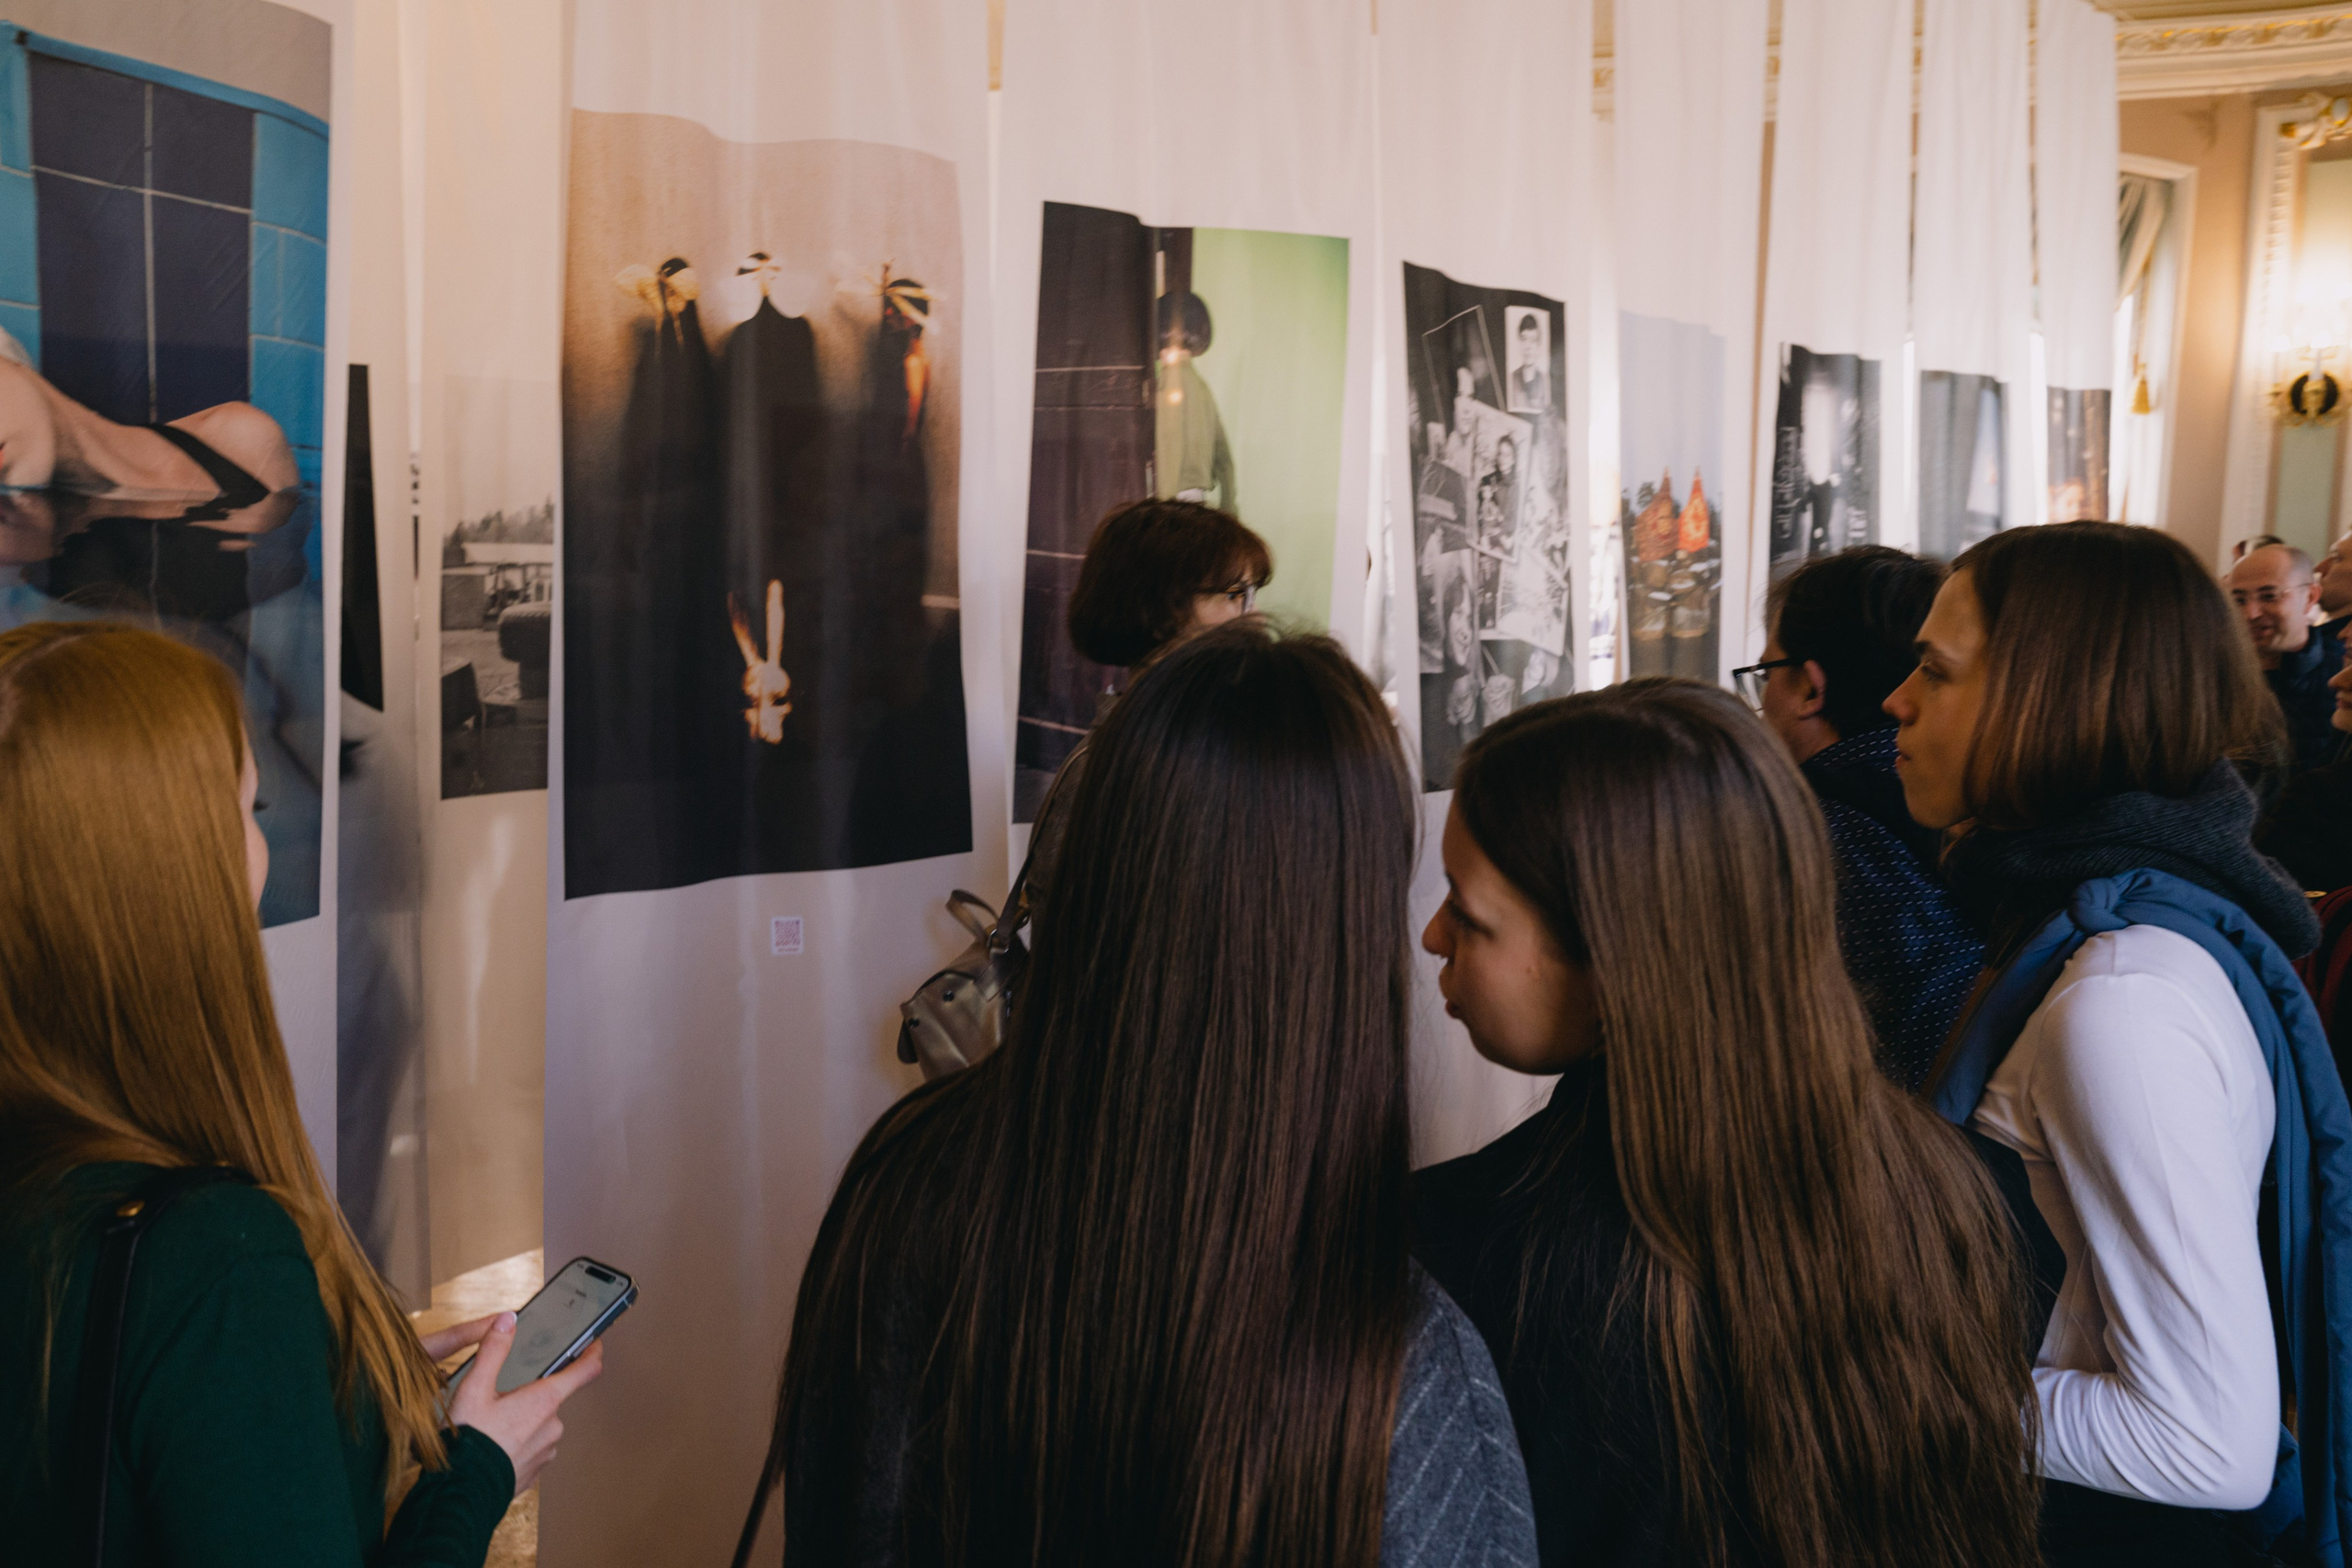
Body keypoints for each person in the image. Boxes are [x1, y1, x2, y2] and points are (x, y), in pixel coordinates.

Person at [736, 626, 1537, 1568]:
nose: (1437, 937)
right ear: (1344, 933)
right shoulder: (1395, 1358)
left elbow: (839, 1530)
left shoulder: (912, 1174)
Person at [0, 622, 601, 1565]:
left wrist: (338, 1385)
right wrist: (477, 1469)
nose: (259, 849)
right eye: (249, 808)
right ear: (168, 880)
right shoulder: (214, 1258)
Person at [1415, 680, 2041, 1568]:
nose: (1435, 935)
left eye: (1468, 912)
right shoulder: (1953, 1191)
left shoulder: (1469, 1257)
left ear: (1616, 958)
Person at [1886, 521, 2352, 1564]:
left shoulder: (2121, 1001)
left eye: (1933, 671)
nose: (1896, 701)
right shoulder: (2105, 920)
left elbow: (2206, 1441)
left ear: (2052, 701)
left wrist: (1885, 1385)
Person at [1740, 545, 1982, 1089]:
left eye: (1765, 673)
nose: (1761, 702)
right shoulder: (1968, 813)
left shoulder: (1810, 844)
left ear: (1808, 687)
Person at [1023, 498, 1272, 926]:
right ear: (1160, 610)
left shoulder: (1214, 745)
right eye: (1234, 595)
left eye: (1249, 595)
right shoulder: (1111, 769)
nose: (1253, 615)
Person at [2226, 541, 2343, 773]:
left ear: (2310, 596)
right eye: (2239, 600)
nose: (2251, 613)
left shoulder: (2340, 677)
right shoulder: (2212, 676)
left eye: (2269, 596)